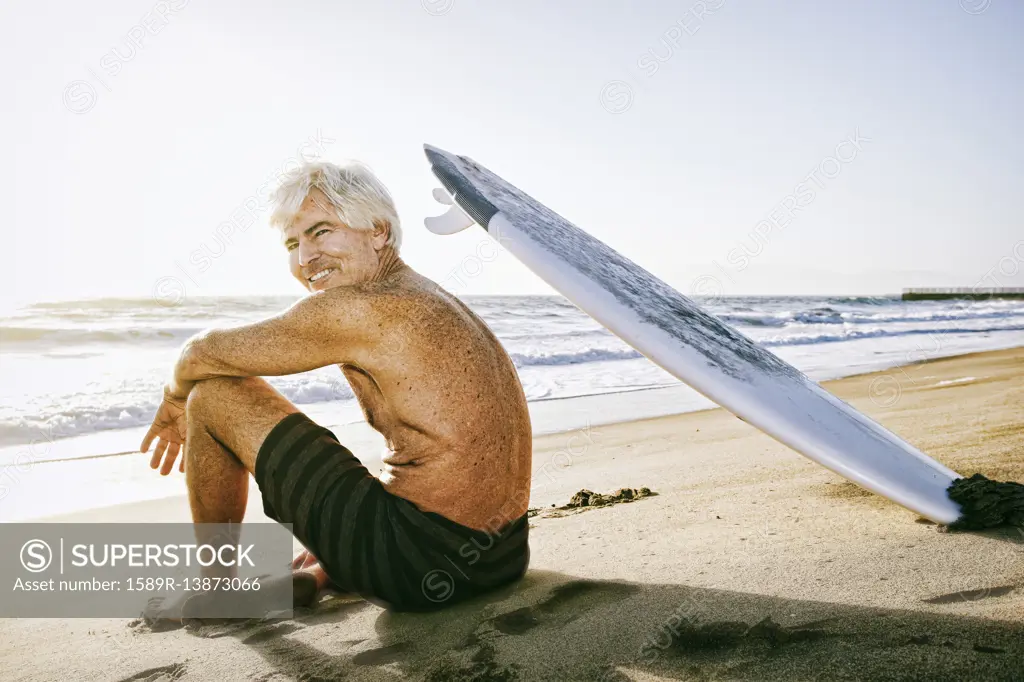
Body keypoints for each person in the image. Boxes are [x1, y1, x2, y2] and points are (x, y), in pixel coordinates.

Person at [139, 161, 532, 612]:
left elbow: (199, 354)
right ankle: (328, 572)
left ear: (379, 232)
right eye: (293, 243)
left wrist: (174, 400)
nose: (305, 258)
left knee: (212, 396)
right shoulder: (430, 296)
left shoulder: (357, 308)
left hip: (419, 565)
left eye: (321, 231)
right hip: (502, 555)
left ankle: (217, 592)